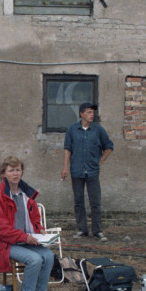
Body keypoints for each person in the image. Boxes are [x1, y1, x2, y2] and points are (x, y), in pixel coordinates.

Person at [0, 155, 55, 291]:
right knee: (34, 259)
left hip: (25, 240)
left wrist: (39, 229)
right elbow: (0, 228)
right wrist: (24, 237)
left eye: (18, 170)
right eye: (11, 170)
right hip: (3, 243)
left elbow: (34, 217)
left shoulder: (26, 192)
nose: (15, 174)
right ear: (4, 174)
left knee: (49, 256)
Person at [61, 102, 113, 241]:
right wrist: (65, 167)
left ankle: (97, 231)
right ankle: (82, 230)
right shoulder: (72, 130)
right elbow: (67, 149)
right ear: (81, 114)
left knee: (95, 201)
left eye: (93, 112)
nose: (92, 115)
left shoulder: (98, 130)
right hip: (76, 170)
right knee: (78, 201)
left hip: (92, 171)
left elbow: (109, 146)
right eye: (89, 112)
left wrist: (101, 160)